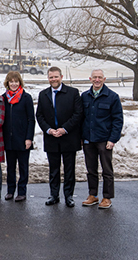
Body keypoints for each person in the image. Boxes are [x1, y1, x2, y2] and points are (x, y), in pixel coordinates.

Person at [36, 66, 83, 207]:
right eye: (51, 77)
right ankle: (54, 195)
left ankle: (68, 196)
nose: (53, 79)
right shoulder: (43, 94)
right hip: (51, 137)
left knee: (69, 169)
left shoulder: (73, 93)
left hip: (68, 137)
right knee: (54, 169)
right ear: (48, 78)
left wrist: (65, 129)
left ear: (61, 77)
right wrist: (49, 130)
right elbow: (39, 115)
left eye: (56, 76)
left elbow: (78, 114)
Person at [81, 69, 123, 209]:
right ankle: (92, 195)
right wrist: (81, 137)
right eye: (94, 77)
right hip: (88, 139)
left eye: (100, 77)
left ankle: (107, 197)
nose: (97, 80)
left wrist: (113, 139)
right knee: (91, 169)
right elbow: (81, 118)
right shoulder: (85, 96)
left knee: (107, 170)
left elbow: (117, 120)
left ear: (104, 79)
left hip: (105, 140)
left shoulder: (112, 97)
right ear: (90, 79)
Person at [2, 71, 35, 202]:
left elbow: (31, 119)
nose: (14, 84)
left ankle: (22, 191)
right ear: (7, 83)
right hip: (8, 139)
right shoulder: (3, 98)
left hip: (22, 139)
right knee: (10, 167)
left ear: (20, 82)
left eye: (16, 81)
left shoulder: (26, 98)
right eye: (11, 82)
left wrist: (29, 138)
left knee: (23, 167)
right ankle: (10, 190)